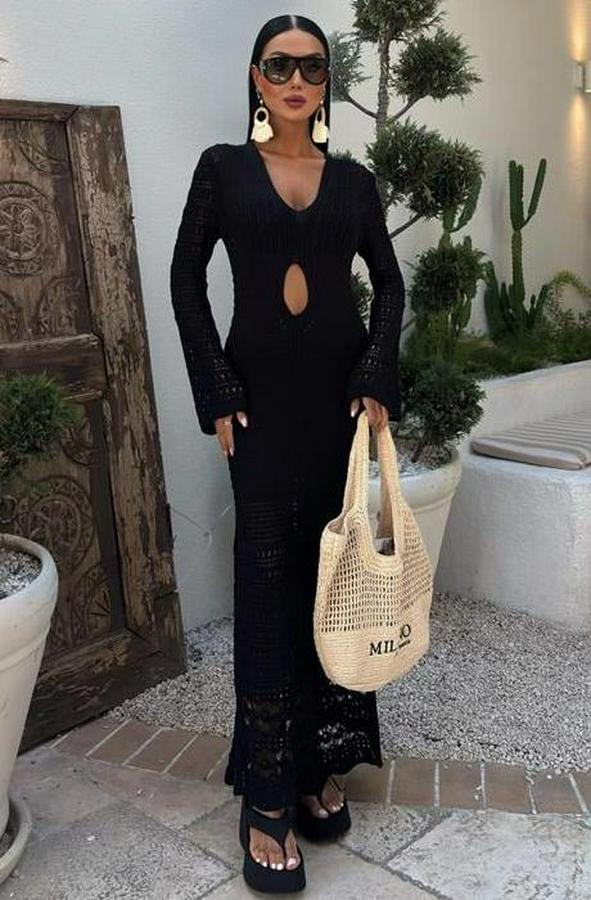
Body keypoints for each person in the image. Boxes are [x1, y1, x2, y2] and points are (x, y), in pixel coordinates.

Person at [170, 13, 405, 894]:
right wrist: (216, 388)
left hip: (336, 407)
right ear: (257, 78)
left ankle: (315, 764)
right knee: (268, 577)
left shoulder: (354, 182)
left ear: (325, 80)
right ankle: (267, 790)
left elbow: (389, 286)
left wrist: (376, 373)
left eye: (311, 67)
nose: (296, 80)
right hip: (259, 409)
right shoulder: (222, 169)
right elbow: (184, 279)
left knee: (330, 575)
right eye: (279, 65)